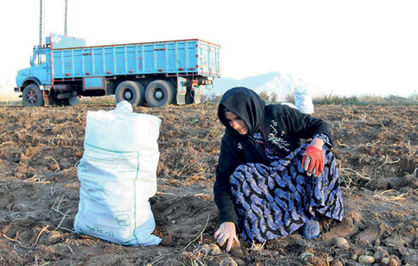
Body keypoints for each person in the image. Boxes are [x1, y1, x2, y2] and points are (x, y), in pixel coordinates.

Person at [213, 87, 344, 252]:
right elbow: (222, 181)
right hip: (268, 188)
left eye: (238, 118)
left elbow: (319, 125)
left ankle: (312, 214)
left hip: (295, 175)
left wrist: (316, 144)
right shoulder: (232, 138)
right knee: (240, 176)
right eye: (229, 121)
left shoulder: (279, 114)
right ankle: (277, 225)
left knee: (320, 154)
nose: (235, 125)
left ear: (250, 111)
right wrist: (228, 220)